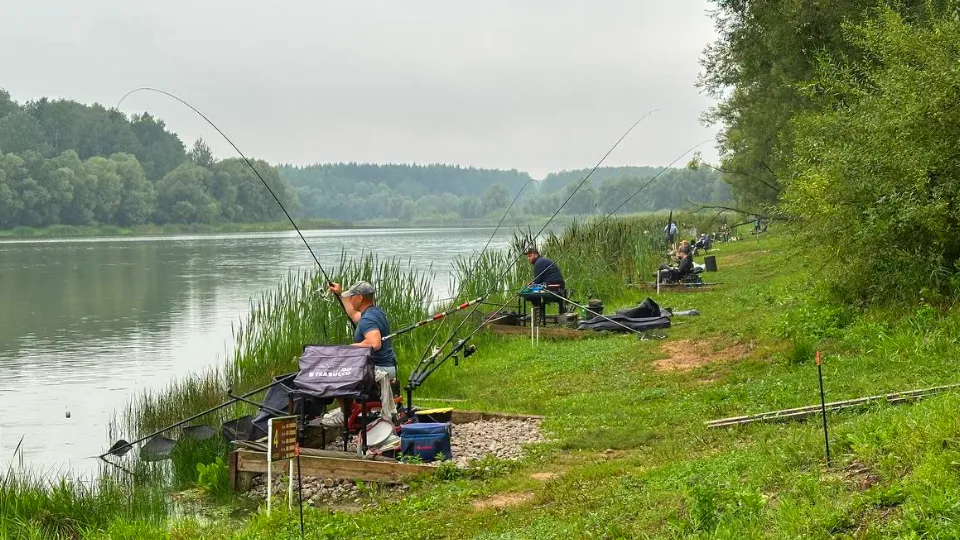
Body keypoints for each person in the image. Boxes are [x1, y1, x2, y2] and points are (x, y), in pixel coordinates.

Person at [320, 280, 398, 427]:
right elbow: (353, 314)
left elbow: (374, 343)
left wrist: (346, 349)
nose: (350, 299)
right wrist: (340, 293)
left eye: (352, 296)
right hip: (389, 366)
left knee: (337, 373)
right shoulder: (375, 312)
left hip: (379, 369)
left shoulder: (368, 319)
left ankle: (345, 414)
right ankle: (347, 410)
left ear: (360, 297)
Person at [523, 245, 565, 323]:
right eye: (527, 257)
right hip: (556, 285)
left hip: (554, 287)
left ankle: (537, 315)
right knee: (533, 292)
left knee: (530, 294)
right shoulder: (542, 261)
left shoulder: (539, 263)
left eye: (530, 256)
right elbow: (538, 280)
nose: (528, 258)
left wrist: (531, 285)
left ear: (536, 254)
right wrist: (534, 283)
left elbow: (537, 282)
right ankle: (538, 314)